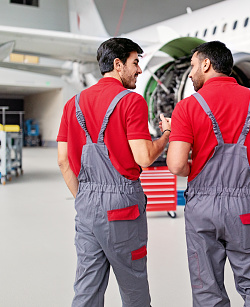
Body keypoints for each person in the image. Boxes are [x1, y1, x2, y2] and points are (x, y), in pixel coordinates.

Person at [57, 37, 171, 307]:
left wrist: (83, 197)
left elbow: (63, 161)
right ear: (118, 65)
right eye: (135, 63)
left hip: (86, 203)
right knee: (133, 286)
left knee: (87, 287)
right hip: (122, 206)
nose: (140, 70)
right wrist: (167, 134)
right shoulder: (132, 102)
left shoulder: (72, 104)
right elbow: (143, 158)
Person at [167, 41, 250, 307]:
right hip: (245, 207)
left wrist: (201, 167)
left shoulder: (186, 107)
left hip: (202, 207)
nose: (191, 74)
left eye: (193, 66)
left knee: (207, 287)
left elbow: (176, 165)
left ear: (206, 64)